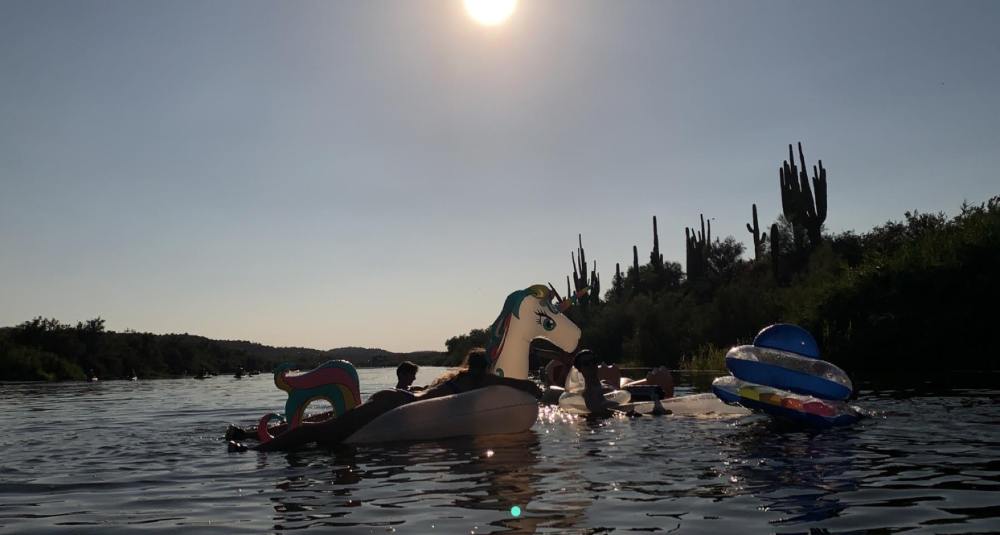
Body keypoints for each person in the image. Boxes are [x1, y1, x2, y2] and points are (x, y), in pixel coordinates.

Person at [235, 349, 542, 451]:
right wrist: (535, 389)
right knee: (326, 434)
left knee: (326, 426)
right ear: (482, 368)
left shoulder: (457, 378)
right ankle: (255, 450)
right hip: (396, 405)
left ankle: (253, 434)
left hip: (396, 401)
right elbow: (520, 385)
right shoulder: (478, 380)